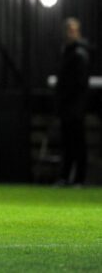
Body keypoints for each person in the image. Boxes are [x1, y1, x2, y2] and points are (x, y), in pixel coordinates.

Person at [56, 17, 90, 186]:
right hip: (66, 106)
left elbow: (80, 83)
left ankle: (79, 179)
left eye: (73, 30)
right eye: (68, 30)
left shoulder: (79, 53)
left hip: (76, 107)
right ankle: (65, 177)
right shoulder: (67, 52)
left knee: (78, 144)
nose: (70, 33)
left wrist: (75, 103)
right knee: (67, 143)